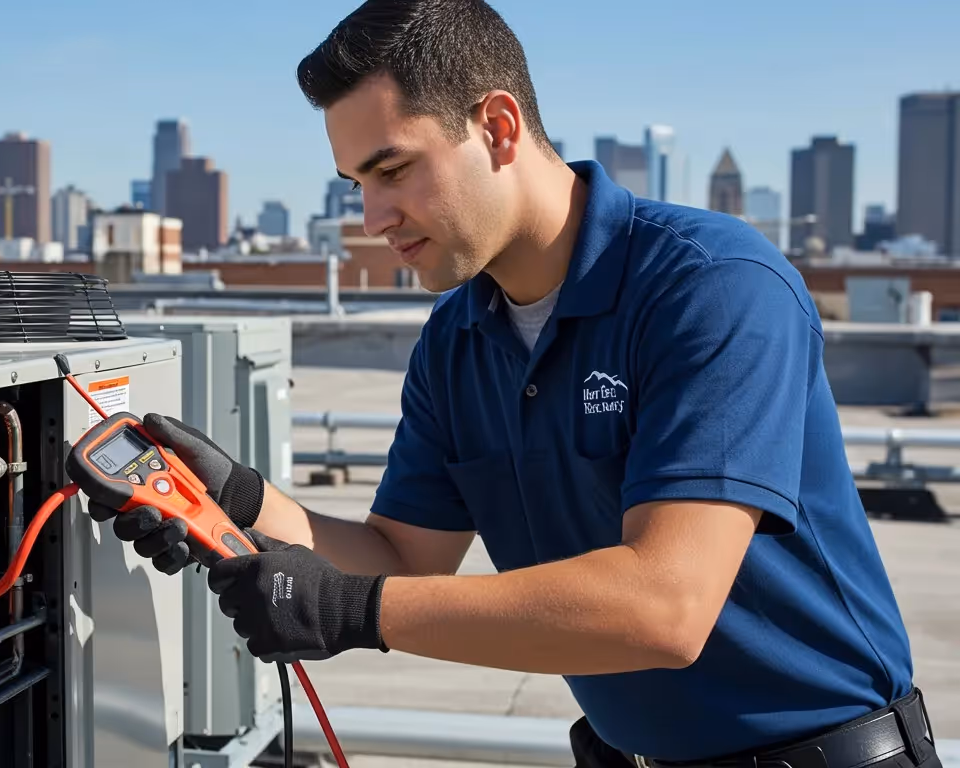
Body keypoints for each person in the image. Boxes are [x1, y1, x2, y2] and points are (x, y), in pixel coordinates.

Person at [86, 1, 940, 766]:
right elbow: (402, 556)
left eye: (392, 171)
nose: (372, 221)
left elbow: (666, 607)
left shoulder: (713, 285)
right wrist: (234, 500)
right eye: (355, 186)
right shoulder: (457, 343)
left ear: (498, 126)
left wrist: (353, 613)